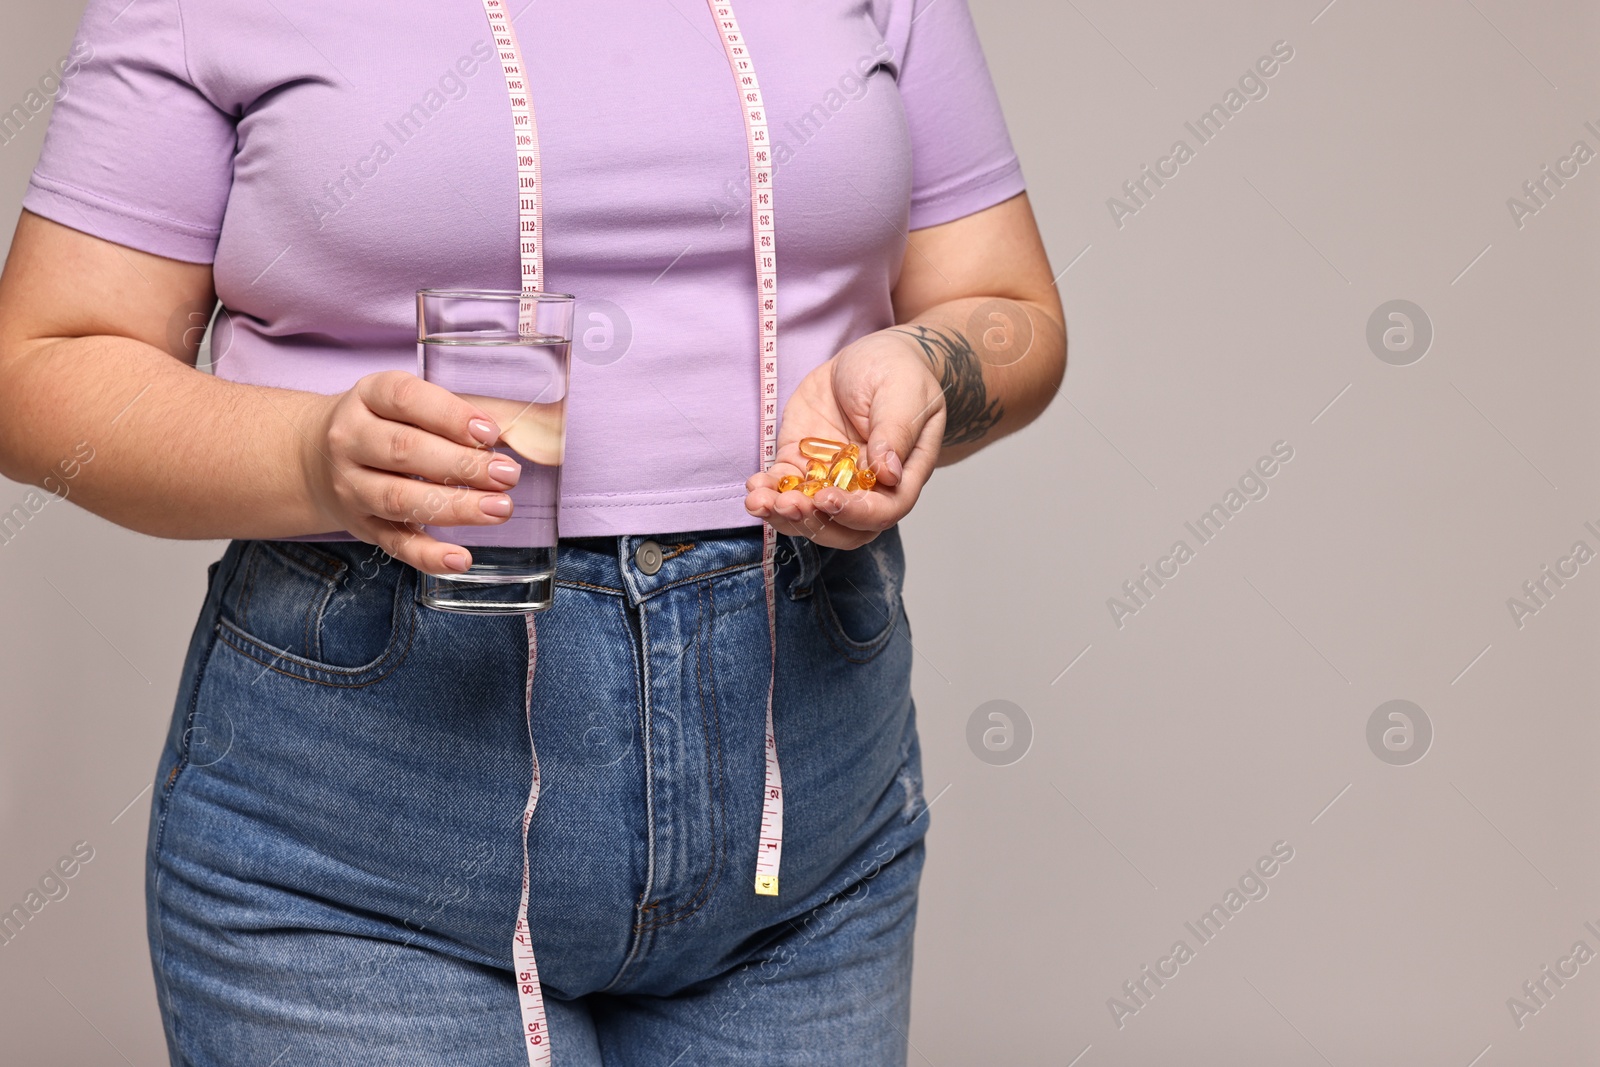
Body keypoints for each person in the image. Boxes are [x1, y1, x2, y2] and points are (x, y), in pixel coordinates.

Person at [0, 0, 1064, 1063]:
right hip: (364, 831)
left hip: (806, 811)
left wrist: (929, 366)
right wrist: (309, 453)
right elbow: (38, 367)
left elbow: (1007, 307)